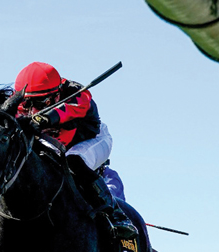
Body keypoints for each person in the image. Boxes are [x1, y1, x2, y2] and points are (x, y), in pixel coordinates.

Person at [14, 62, 137, 239]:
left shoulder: (75, 93)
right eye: (26, 104)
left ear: (57, 93)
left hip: (91, 140)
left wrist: (45, 118)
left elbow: (74, 107)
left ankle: (117, 215)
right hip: (58, 144)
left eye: (41, 102)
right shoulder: (17, 104)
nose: (32, 110)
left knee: (74, 161)